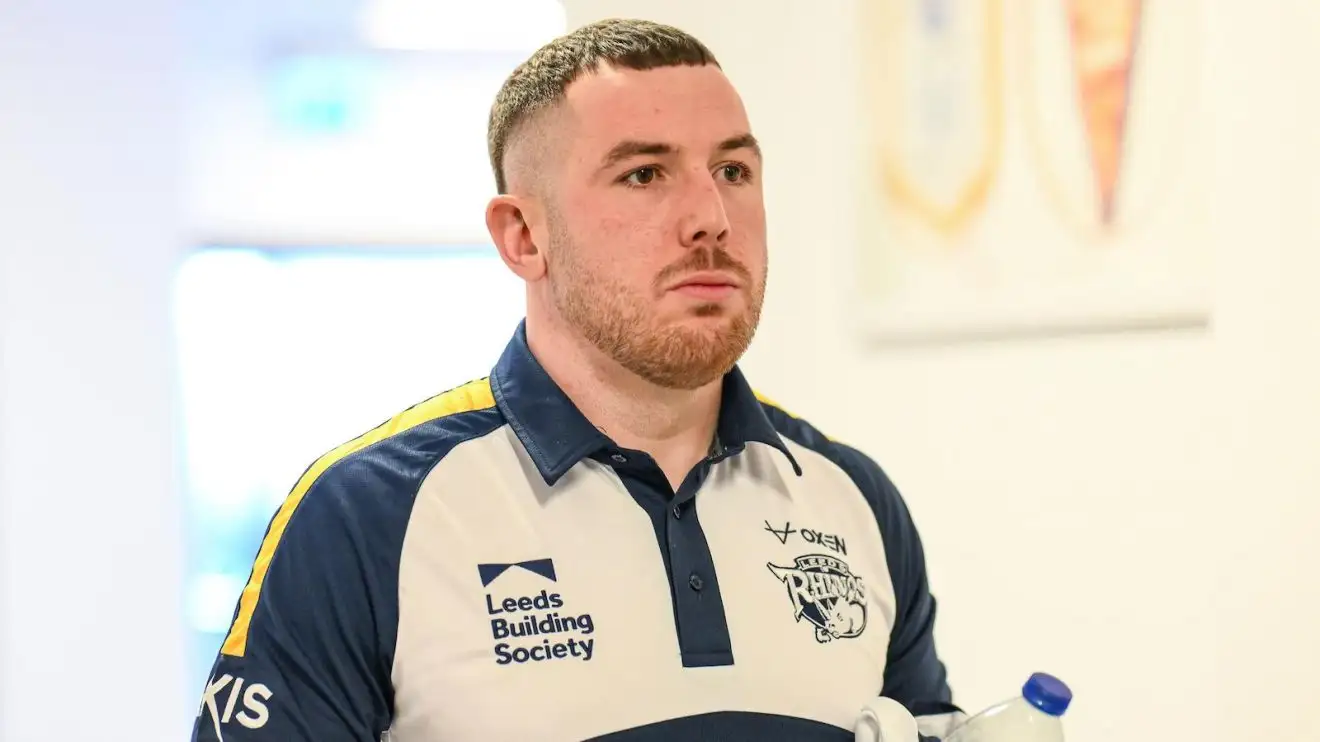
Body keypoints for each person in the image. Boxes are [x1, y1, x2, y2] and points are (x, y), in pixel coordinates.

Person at [192, 18, 962, 742]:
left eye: (733, 170)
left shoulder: (851, 498)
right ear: (523, 236)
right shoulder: (366, 515)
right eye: (644, 174)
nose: (711, 217)